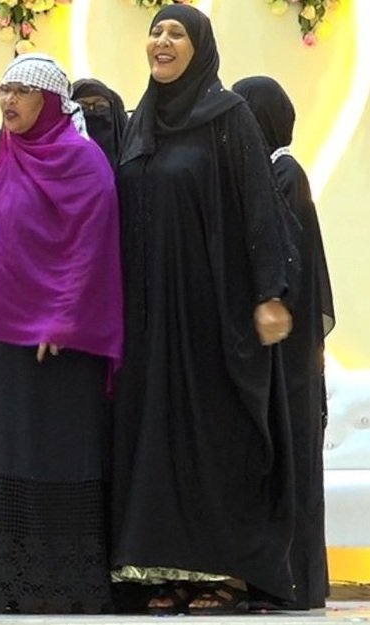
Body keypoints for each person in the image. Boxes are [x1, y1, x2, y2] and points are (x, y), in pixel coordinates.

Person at [110, 6, 297, 616]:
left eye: (176, 34)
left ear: (201, 48)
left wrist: (269, 294)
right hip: (148, 318)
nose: (161, 41)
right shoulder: (141, 123)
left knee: (216, 437)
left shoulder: (228, 118)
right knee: (155, 437)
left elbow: (261, 210)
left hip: (212, 314)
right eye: (156, 31)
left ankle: (228, 573)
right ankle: (165, 569)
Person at [0, 53, 122, 615]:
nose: (8, 101)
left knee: (55, 454)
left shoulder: (83, 161)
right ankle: (10, 581)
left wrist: (61, 315)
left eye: (23, 91)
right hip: (4, 335)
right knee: (11, 455)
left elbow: (89, 247)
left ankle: (62, 583)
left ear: (51, 103)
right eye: (4, 89)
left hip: (60, 342)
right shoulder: (8, 158)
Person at [232, 75, 335, 611]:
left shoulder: (282, 172)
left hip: (287, 355)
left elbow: (284, 259)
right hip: (273, 350)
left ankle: (289, 583)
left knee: (288, 461)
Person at [71, 78, 128, 166]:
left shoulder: (134, 146)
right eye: (83, 107)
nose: (92, 110)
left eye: (100, 106)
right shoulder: (62, 156)